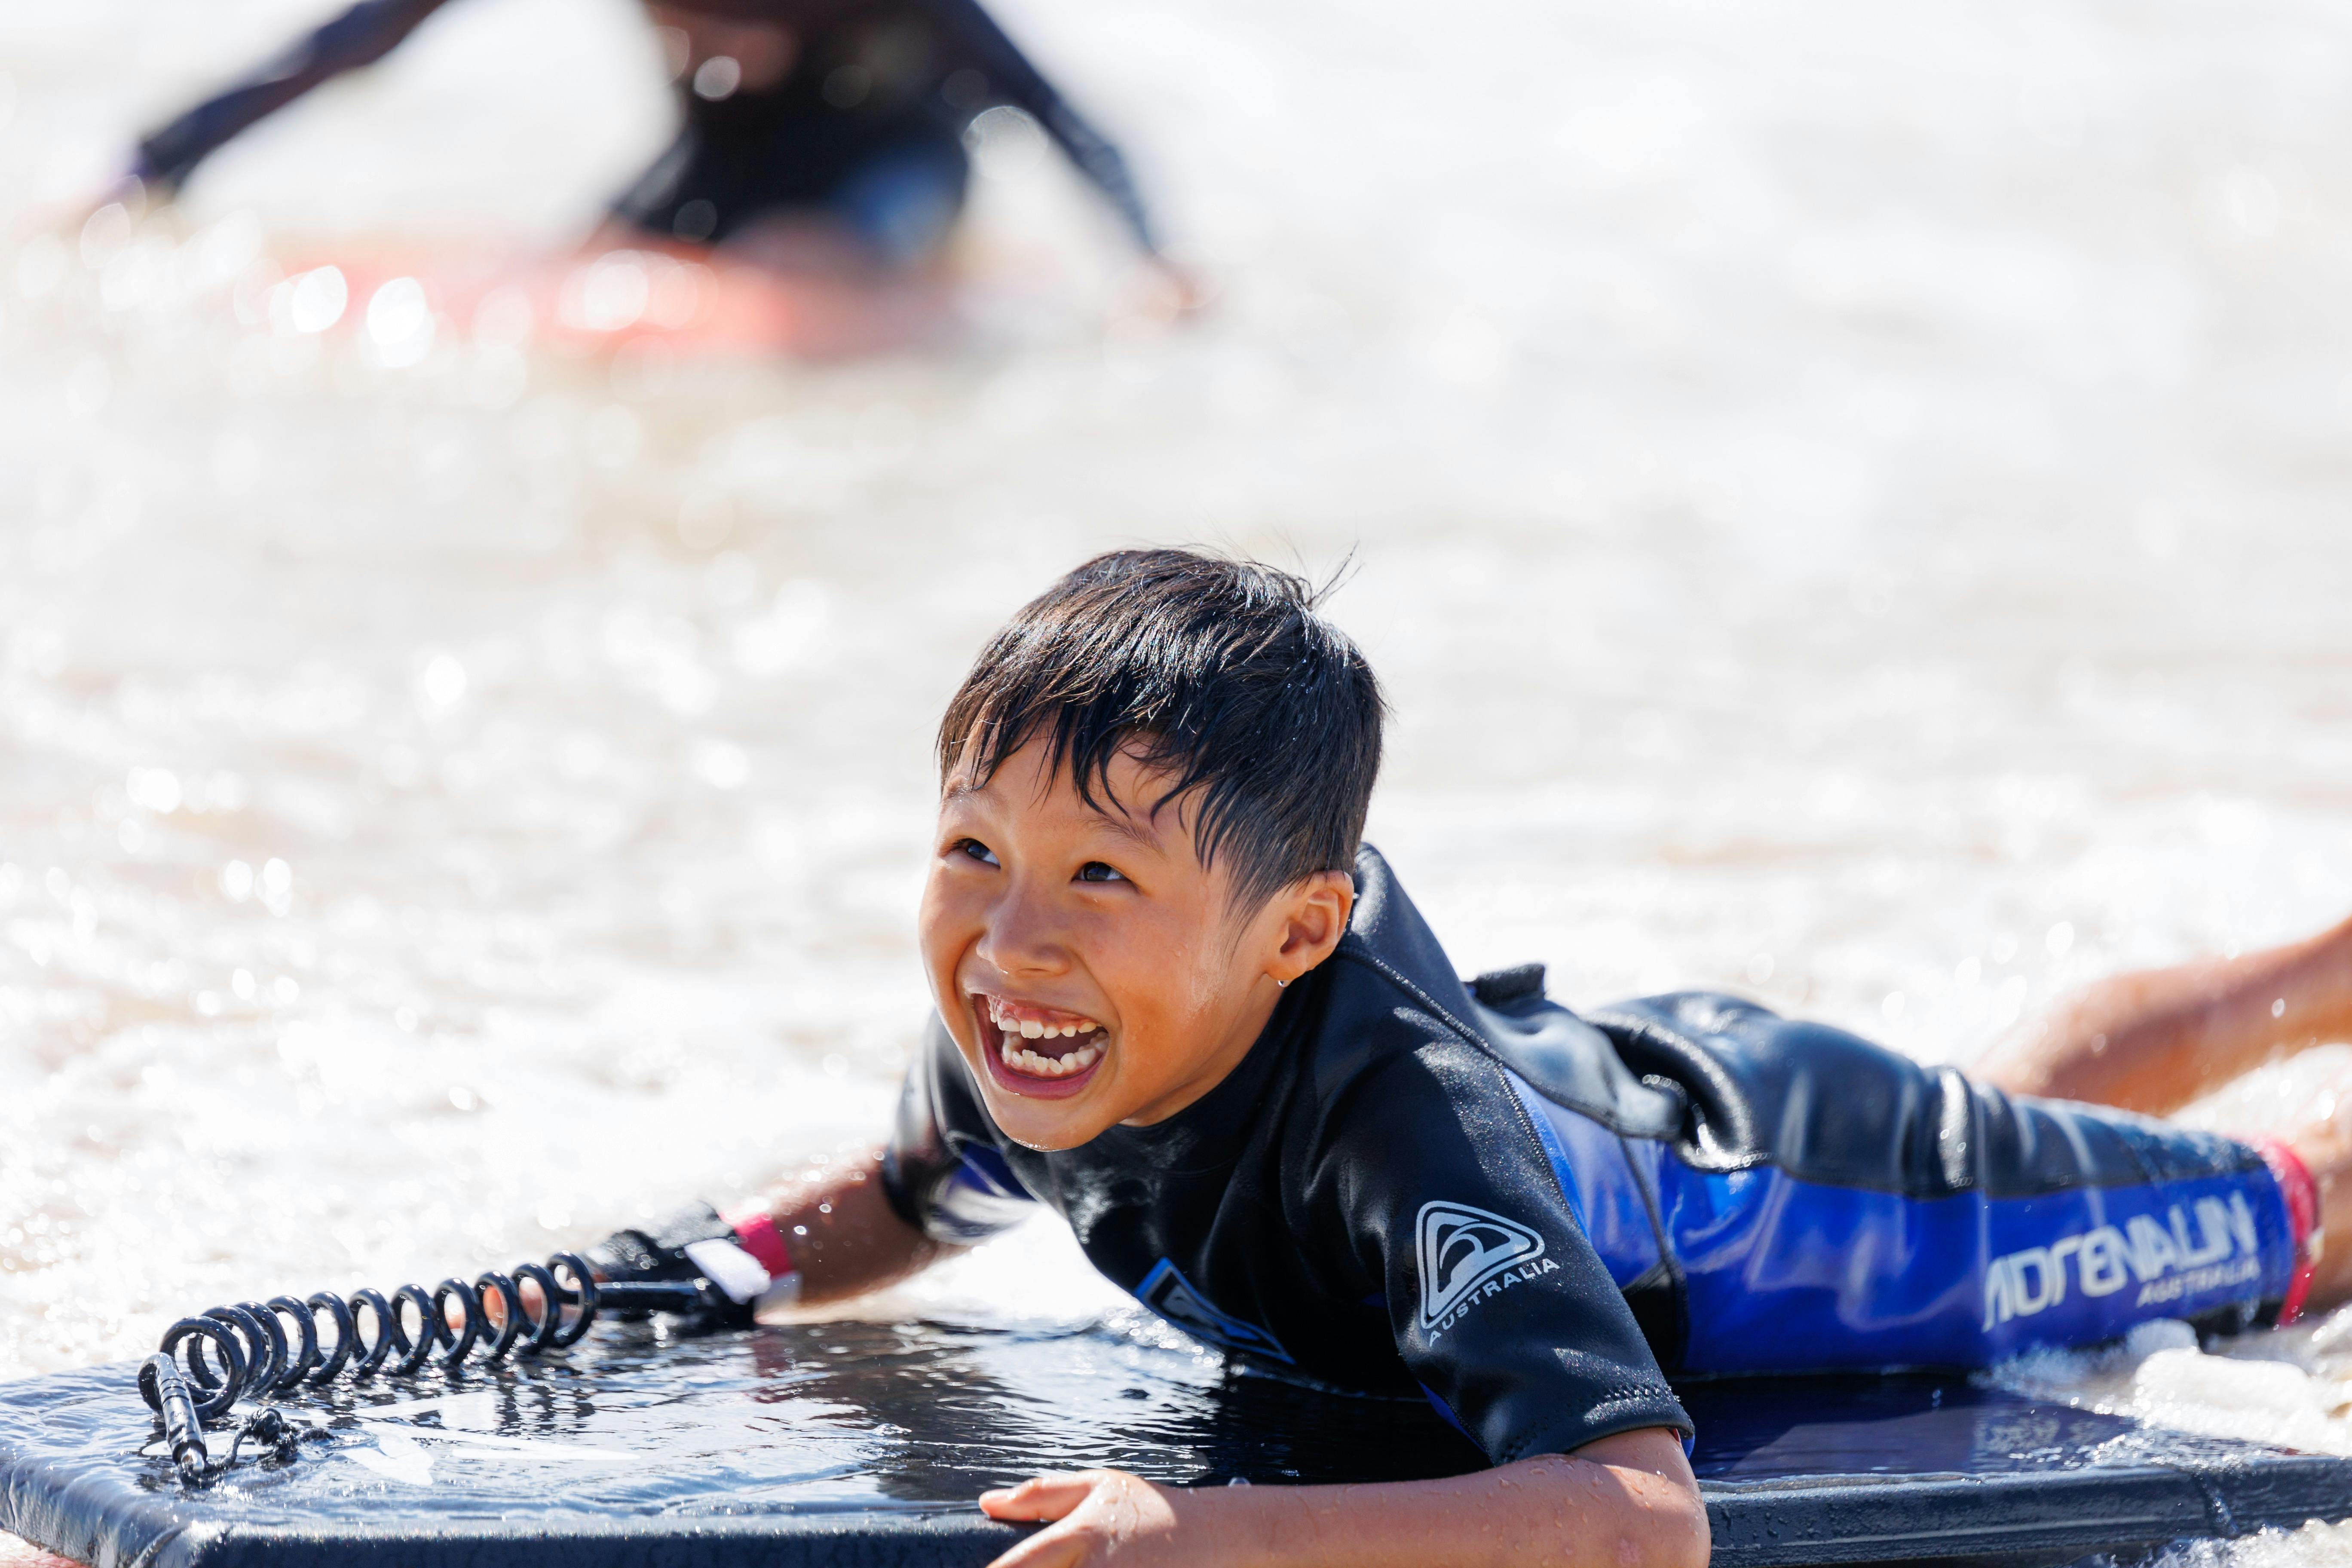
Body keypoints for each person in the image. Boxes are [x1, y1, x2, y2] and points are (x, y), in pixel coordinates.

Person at [586, 548, 2343, 1568]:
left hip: (1811, 1200)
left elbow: (1643, 1519)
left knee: (2295, 1220)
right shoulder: (1039, 1022)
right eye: (975, 849)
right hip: (1634, 1094)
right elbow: (912, 1197)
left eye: (1102, 875)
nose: (1012, 937)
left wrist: (1207, 1536)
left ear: (1295, 932)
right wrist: (708, 1271)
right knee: (2016, 1121)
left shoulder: (1400, 1140)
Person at [122, 0, 1185, 287]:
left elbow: (1057, 111)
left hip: (892, 166)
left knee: (791, 259)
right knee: (577, 269)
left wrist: (1152, 258)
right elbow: (353, 40)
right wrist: (154, 165)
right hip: (723, 160)